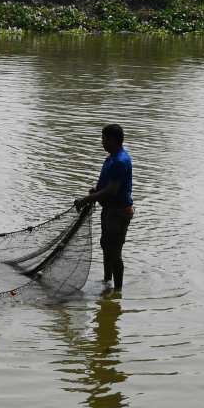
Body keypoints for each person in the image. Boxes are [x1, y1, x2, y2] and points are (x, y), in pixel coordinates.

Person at [74, 124, 133, 291]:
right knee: (106, 247)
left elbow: (111, 191)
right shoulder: (113, 157)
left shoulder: (120, 161)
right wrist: (97, 189)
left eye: (104, 139)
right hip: (110, 210)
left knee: (114, 252)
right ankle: (107, 284)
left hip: (118, 212)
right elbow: (108, 186)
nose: (102, 142)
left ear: (112, 140)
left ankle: (118, 290)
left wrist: (86, 199)